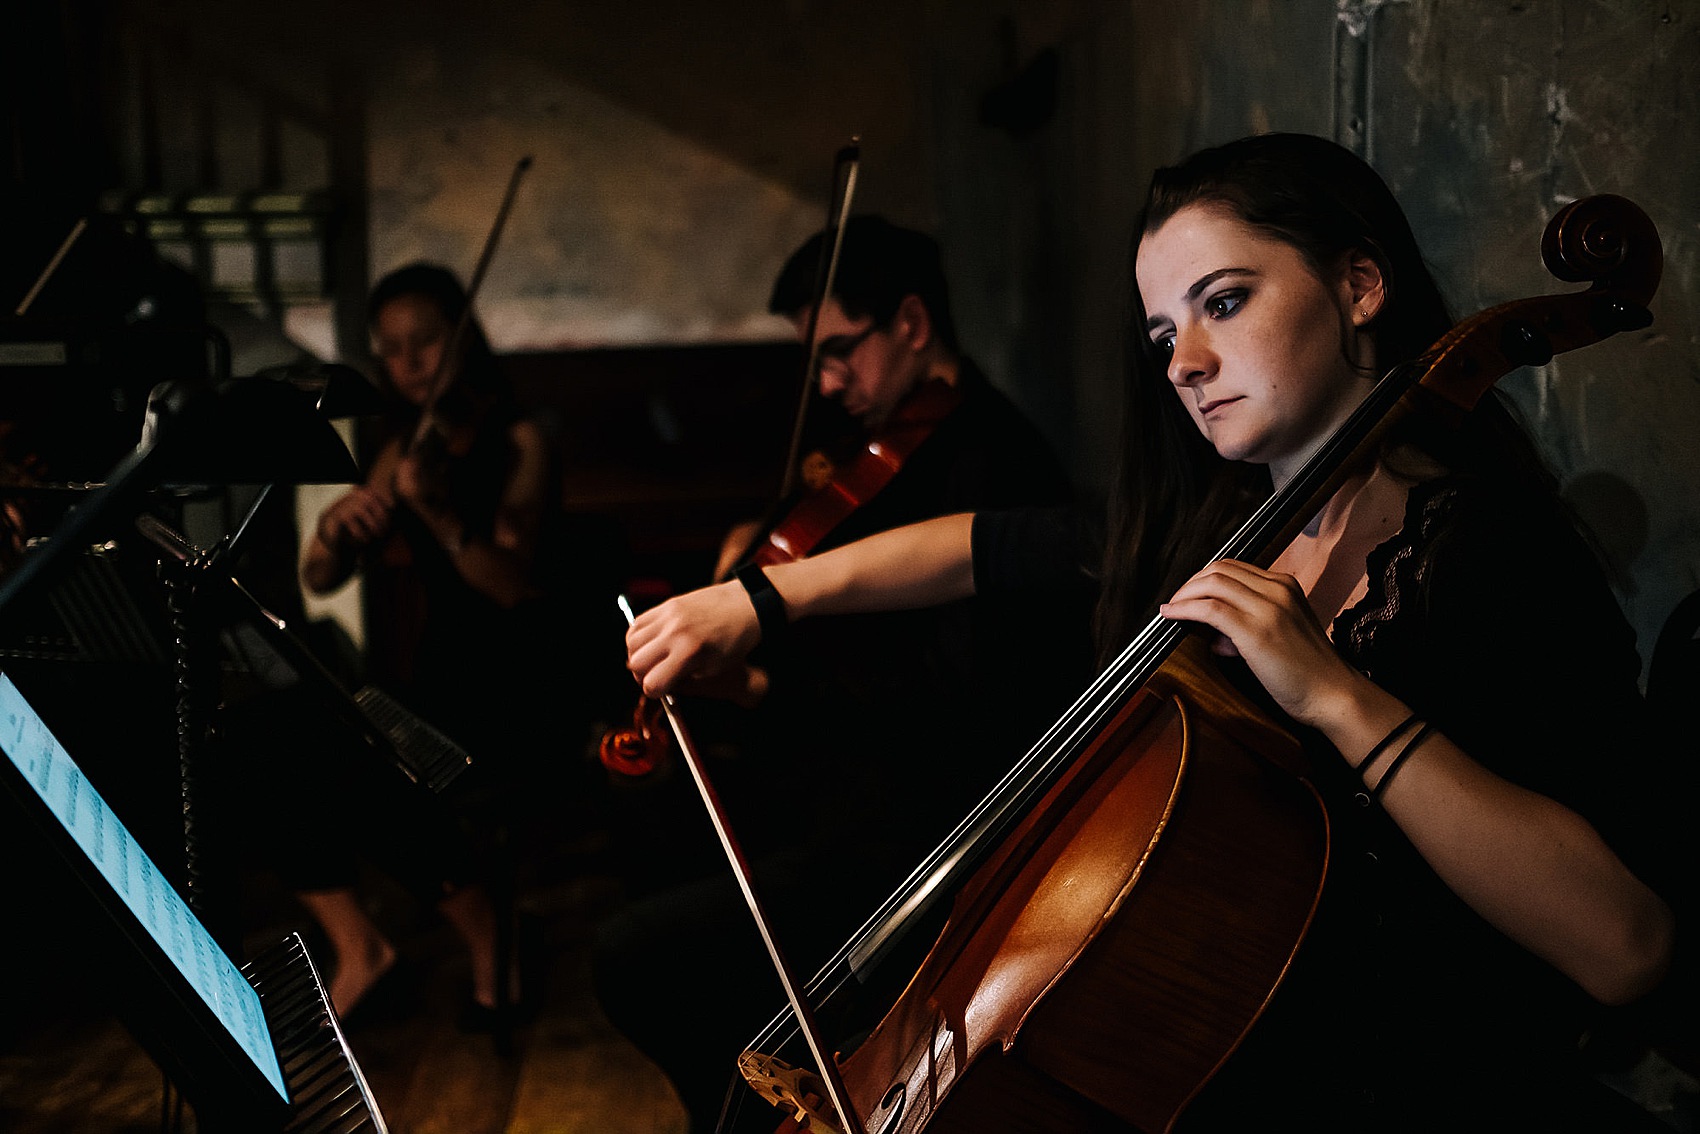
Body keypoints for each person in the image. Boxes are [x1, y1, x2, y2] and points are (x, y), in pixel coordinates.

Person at [624, 134, 1684, 1130]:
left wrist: (1333, 695)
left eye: (1223, 301)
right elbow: (973, 549)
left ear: (1359, 287)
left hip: (1406, 1084)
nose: (1184, 360)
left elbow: (1623, 947)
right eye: (1163, 333)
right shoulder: (1209, 531)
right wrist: (760, 601)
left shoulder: (1483, 556)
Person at [591, 215, 1091, 1132]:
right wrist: (755, 557)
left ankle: (769, 1105)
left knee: (634, 956)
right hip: (829, 774)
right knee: (643, 820)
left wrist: (763, 687)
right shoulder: (869, 451)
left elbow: (954, 708)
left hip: (916, 832)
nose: (824, 383)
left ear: (910, 321)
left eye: (838, 352)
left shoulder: (992, 460)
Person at [297, 261, 574, 1028]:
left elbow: (513, 588)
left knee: (369, 755)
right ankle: (363, 946)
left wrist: (443, 516)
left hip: (525, 682)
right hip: (442, 676)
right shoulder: (405, 446)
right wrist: (329, 530)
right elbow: (321, 578)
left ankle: (489, 941)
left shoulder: (521, 440)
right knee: (288, 740)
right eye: (390, 349)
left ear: (463, 339)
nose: (408, 364)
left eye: (424, 343)